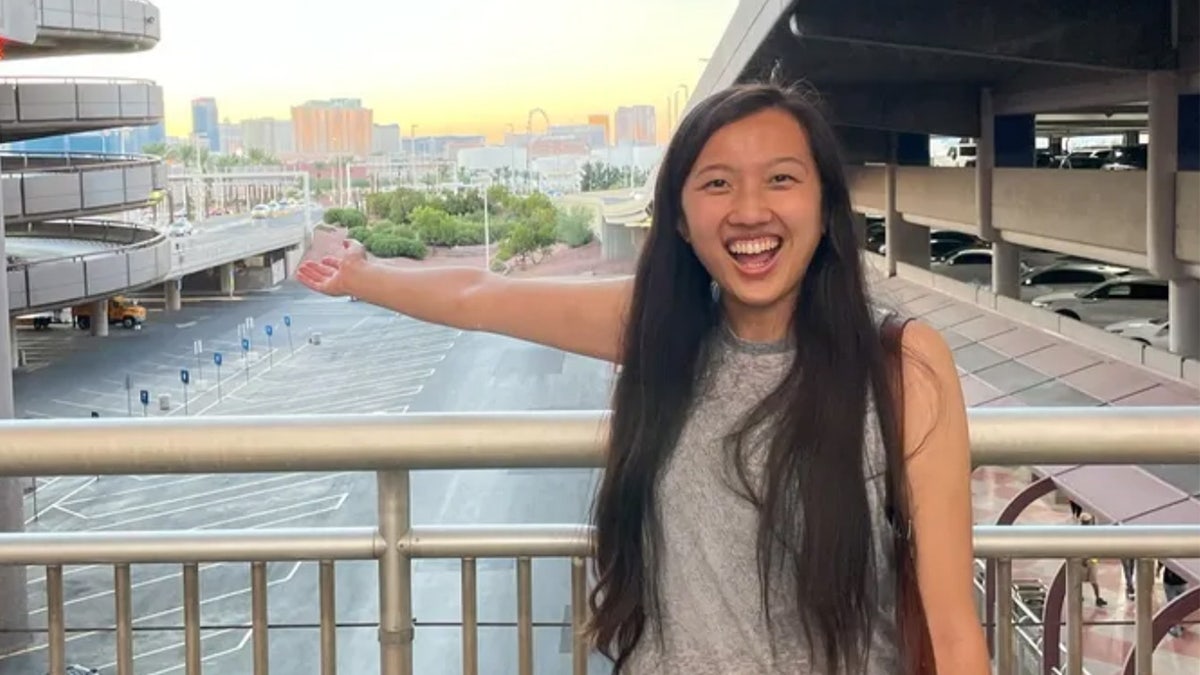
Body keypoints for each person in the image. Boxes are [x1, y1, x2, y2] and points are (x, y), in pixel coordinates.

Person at [297, 82, 989, 674]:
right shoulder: (663, 329)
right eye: (717, 183)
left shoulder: (902, 365)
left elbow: (954, 630)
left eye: (781, 178)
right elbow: (483, 295)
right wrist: (363, 272)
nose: (750, 210)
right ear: (683, 221)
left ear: (825, 206)